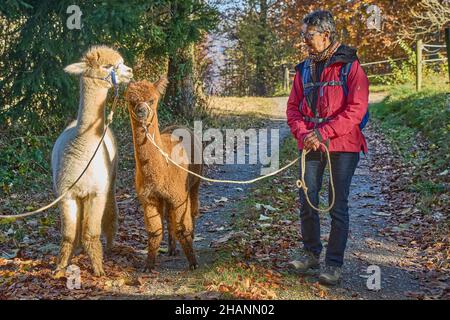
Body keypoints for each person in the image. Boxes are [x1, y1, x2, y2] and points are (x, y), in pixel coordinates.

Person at [286, 10, 369, 285]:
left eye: (308, 36)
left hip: (343, 147)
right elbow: (292, 108)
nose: (304, 41)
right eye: (302, 35)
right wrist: (304, 133)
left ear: (326, 35)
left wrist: (323, 133)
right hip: (310, 144)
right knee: (307, 200)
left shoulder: (350, 66)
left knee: (338, 206)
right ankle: (310, 253)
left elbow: (356, 110)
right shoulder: (303, 69)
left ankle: (333, 264)